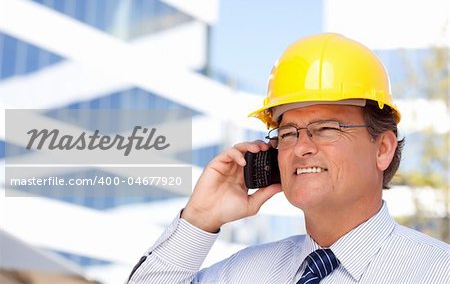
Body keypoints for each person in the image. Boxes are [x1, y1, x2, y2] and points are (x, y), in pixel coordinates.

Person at [127, 33, 449, 283]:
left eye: (326, 128)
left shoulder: (438, 272)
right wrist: (200, 219)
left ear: (382, 149)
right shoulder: (244, 273)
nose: (300, 147)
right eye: (288, 133)